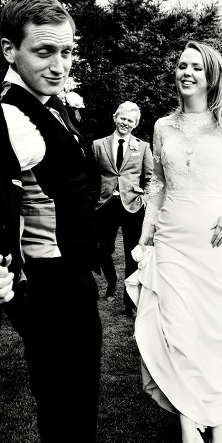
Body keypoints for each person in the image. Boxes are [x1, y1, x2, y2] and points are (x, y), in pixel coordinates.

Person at [0, 0, 102, 443]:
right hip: (51, 288)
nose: (59, 64)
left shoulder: (48, 103)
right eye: (45, 50)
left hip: (70, 276)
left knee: (70, 410)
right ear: (10, 50)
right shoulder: (10, 117)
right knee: (67, 411)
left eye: (67, 51)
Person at [127, 41, 222, 443]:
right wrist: (145, 233)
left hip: (214, 238)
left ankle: (214, 418)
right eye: (181, 65)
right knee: (177, 329)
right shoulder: (161, 126)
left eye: (196, 67)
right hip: (171, 238)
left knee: (215, 331)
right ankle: (191, 429)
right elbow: (157, 184)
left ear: (211, 76)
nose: (185, 72)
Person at [92, 101, 153, 315]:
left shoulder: (143, 146)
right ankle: (111, 281)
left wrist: (144, 195)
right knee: (101, 251)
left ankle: (130, 302)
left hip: (133, 206)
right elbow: (91, 176)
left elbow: (151, 178)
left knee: (131, 255)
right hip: (105, 204)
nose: (125, 123)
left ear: (135, 124)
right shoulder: (98, 145)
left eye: (130, 120)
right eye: (123, 118)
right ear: (115, 117)